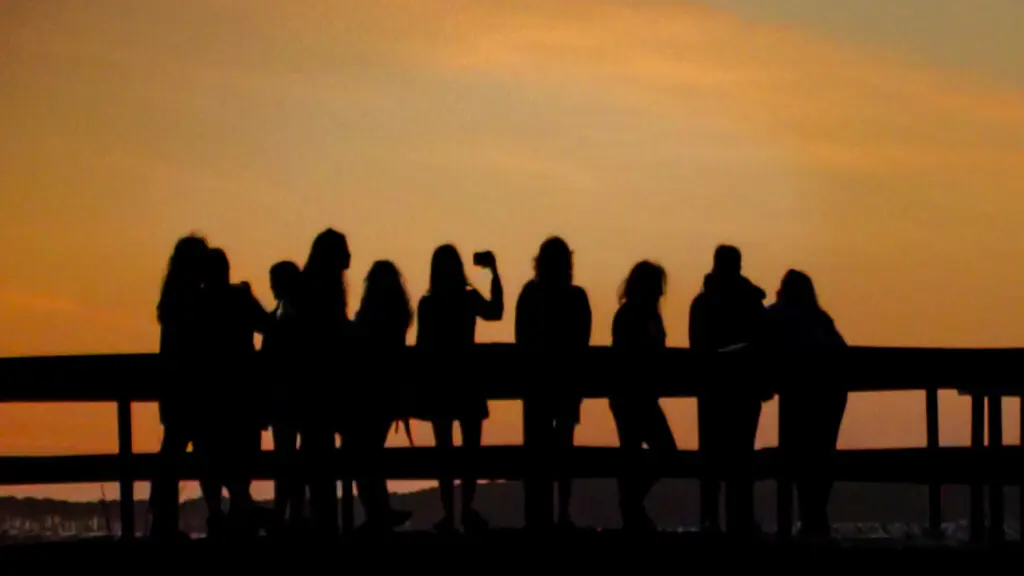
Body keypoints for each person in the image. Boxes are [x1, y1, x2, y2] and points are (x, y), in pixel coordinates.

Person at [415, 244, 503, 532]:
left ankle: (449, 514)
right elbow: (495, 312)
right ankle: (465, 510)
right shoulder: (467, 299)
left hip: (440, 386)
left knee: (445, 455)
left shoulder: (427, 304)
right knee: (470, 454)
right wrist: (494, 273)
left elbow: (421, 348)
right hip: (468, 382)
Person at [688, 244, 769, 536]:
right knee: (740, 459)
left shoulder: (702, 303)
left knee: (713, 459)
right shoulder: (751, 303)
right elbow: (763, 345)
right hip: (743, 391)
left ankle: (711, 520)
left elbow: (697, 347)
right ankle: (740, 520)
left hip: (712, 392)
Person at [514, 236, 591, 528]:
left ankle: (539, 516)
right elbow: (582, 341)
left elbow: (522, 338)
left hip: (536, 387)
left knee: (537, 454)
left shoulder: (530, 295)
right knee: (564, 452)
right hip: (566, 385)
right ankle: (562, 515)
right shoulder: (576, 297)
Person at [765, 270, 848, 539]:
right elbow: (841, 351)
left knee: (799, 457)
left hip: (800, 395)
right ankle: (815, 517)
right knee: (821, 455)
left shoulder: (779, 315)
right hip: (829, 396)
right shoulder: (819, 318)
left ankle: (805, 518)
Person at [196, 247, 268, 537]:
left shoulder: (196, 303)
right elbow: (266, 325)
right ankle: (241, 509)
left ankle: (217, 515)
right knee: (242, 456)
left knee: (210, 456)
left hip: (208, 393)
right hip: (241, 392)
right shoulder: (240, 298)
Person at [151, 234, 215, 540]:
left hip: (175, 388)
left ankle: (163, 522)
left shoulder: (173, 298)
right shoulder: (192, 300)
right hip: (191, 390)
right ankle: (215, 517)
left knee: (172, 456)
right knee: (200, 455)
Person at [293, 228, 353, 536]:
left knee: (313, 454)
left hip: (309, 386)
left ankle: (311, 518)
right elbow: (336, 330)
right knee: (321, 455)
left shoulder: (307, 287)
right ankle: (324, 521)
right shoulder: (326, 289)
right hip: (324, 386)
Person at [609, 261, 677, 531]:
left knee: (640, 454)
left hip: (642, 396)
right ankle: (631, 509)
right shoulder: (629, 315)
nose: (660, 293)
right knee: (650, 452)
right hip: (632, 397)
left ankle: (632, 507)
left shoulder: (646, 316)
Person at [349, 260, 415, 531]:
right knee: (371, 452)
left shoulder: (370, 314)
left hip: (367, 394)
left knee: (361, 452)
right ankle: (380, 510)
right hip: (389, 393)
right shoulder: (400, 314)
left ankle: (376, 511)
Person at [262, 260, 305, 529]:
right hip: (291, 395)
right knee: (290, 458)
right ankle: (292, 513)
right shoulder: (294, 314)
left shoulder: (282, 317)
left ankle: (286, 513)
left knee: (285, 458)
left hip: (286, 396)